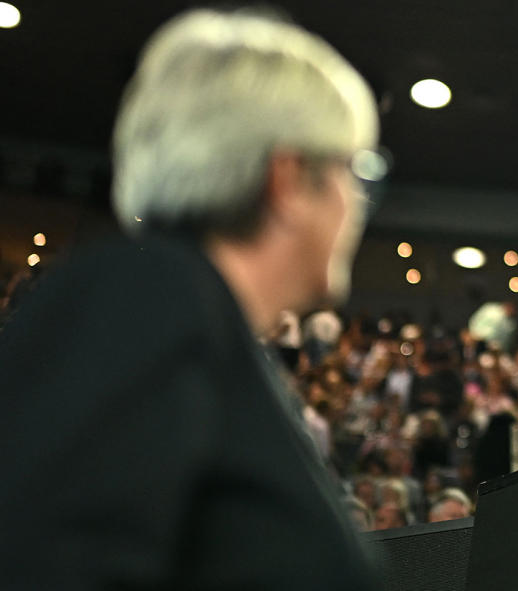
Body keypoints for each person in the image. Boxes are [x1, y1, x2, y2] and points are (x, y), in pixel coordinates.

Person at [0, 8, 385, 588]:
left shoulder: (197, 322)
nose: (358, 203)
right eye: (355, 170)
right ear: (286, 178)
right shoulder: (151, 296)